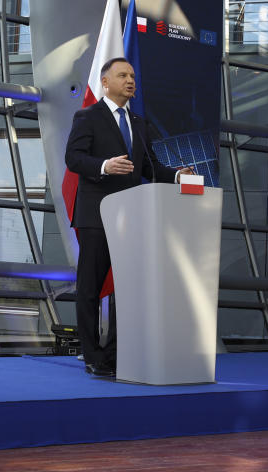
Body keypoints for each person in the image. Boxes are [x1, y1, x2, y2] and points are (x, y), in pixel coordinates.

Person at [65, 57, 192, 377]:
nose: (130, 80)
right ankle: (92, 355)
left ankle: (115, 354)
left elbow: (150, 167)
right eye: (122, 75)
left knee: (128, 289)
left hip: (131, 217)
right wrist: (104, 166)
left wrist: (177, 176)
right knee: (90, 289)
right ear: (105, 83)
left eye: (132, 75)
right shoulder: (87, 117)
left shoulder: (139, 123)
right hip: (96, 215)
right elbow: (73, 158)